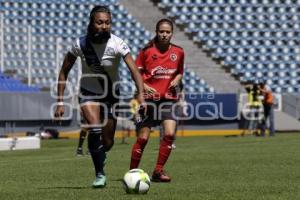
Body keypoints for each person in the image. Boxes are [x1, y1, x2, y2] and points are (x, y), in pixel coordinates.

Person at [54, 5, 145, 188]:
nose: (104, 26)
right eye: (100, 22)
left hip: (111, 95)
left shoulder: (118, 44)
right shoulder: (80, 44)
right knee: (94, 129)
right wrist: (60, 101)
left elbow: (134, 70)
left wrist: (141, 96)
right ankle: (99, 174)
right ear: (91, 23)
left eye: (107, 23)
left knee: (108, 142)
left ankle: (100, 155)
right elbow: (64, 72)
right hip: (88, 93)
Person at [129, 18, 184, 182]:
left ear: (172, 33)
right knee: (143, 138)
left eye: (168, 32)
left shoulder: (179, 52)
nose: (164, 35)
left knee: (169, 134)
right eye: (162, 32)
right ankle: (133, 173)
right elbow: (136, 73)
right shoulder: (146, 51)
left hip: (168, 99)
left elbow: (180, 71)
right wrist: (144, 86)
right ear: (156, 32)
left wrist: (178, 79)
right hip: (148, 100)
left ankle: (158, 171)